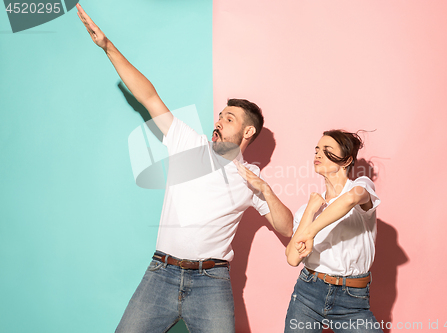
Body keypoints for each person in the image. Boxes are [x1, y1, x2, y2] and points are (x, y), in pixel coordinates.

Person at [76, 4, 293, 333]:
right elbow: (148, 96)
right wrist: (108, 46)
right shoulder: (187, 143)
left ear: (248, 132)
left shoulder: (251, 179)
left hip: (211, 283)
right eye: (220, 115)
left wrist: (266, 191)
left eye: (229, 119)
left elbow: (288, 228)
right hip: (160, 275)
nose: (218, 121)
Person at [284, 130, 382, 333]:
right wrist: (311, 210)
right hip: (307, 293)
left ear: (346, 161)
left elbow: (348, 200)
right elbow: (293, 259)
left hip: (352, 298)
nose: (318, 155)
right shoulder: (307, 209)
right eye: (317, 150)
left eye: (327, 150)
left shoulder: (361, 188)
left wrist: (310, 231)